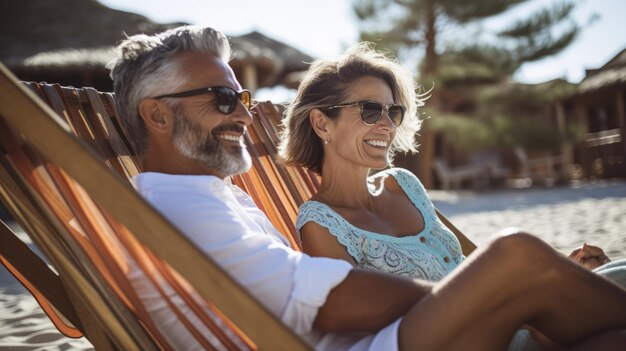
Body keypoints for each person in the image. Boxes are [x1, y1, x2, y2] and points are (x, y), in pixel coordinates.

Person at [107, 25, 626, 351]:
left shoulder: (210, 197)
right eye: (222, 98)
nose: (243, 112)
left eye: (241, 95)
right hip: (379, 343)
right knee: (516, 257)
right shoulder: (174, 210)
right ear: (156, 113)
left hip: (383, 339)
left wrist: (495, 298)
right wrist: (493, 297)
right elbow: (330, 302)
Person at [277, 43, 626, 349]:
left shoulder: (403, 184)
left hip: (520, 318)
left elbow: (471, 265)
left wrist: (542, 278)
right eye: (370, 110)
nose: (387, 125)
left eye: (392, 111)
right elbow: (357, 321)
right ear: (322, 123)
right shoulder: (321, 224)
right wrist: (520, 303)